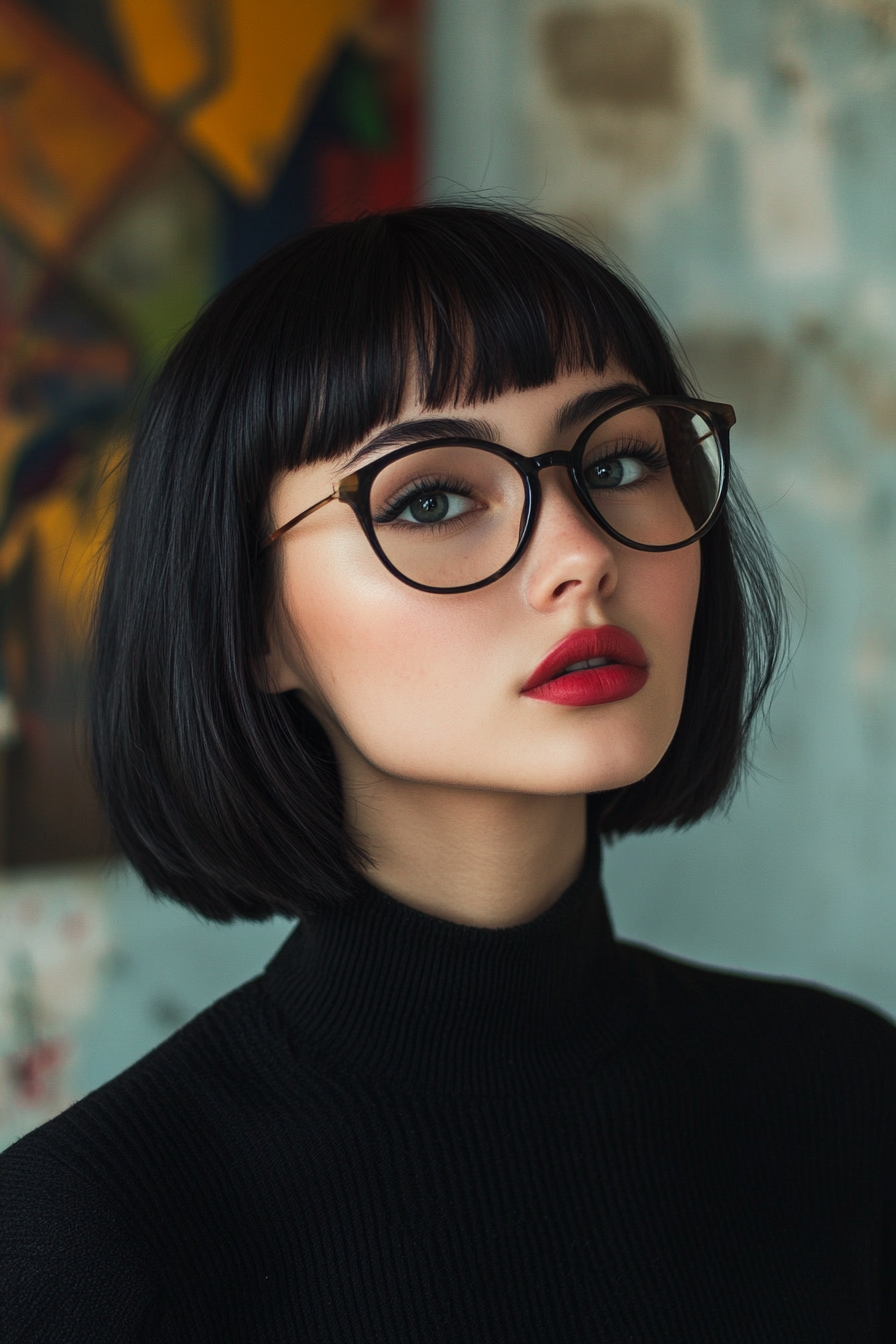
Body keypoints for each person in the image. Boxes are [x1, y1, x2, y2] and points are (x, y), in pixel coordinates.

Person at [1, 204, 894, 1342]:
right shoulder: (86, 1241)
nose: (580, 552)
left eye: (619, 459)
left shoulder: (839, 1096)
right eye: (430, 498)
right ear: (251, 623)